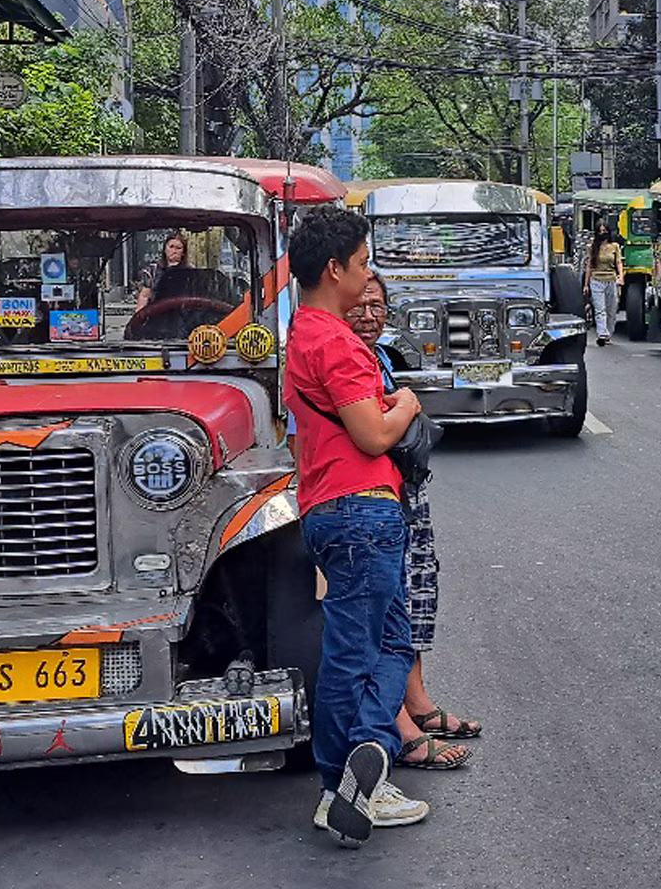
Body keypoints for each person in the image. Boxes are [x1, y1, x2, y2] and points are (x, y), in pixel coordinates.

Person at [285, 205, 428, 847]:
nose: (368, 275)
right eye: (364, 263)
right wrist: (409, 404)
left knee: (387, 641)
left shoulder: (300, 333)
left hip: (326, 505)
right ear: (335, 269)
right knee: (361, 650)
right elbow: (371, 433)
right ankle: (346, 777)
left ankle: (358, 770)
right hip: (365, 507)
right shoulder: (338, 341)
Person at [346, 275, 481, 770]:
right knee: (387, 604)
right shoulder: (340, 358)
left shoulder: (379, 357)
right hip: (372, 497)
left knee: (416, 590)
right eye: (359, 305)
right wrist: (406, 404)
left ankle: (417, 701)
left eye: (377, 306)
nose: (368, 314)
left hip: (405, 490)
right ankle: (397, 722)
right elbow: (377, 429)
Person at [585, 223, 622, 345]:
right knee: (600, 309)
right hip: (596, 280)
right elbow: (589, 266)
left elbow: (618, 263)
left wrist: (621, 277)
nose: (602, 233)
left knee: (612, 309)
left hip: (611, 280)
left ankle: (608, 333)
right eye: (600, 231)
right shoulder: (593, 247)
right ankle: (602, 333)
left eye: (604, 231)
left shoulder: (615, 246)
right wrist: (586, 284)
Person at [134, 231, 188, 313]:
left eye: (178, 248)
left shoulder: (189, 270)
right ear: (165, 249)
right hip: (156, 313)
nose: (174, 251)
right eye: (171, 247)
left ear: (183, 252)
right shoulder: (153, 271)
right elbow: (144, 296)